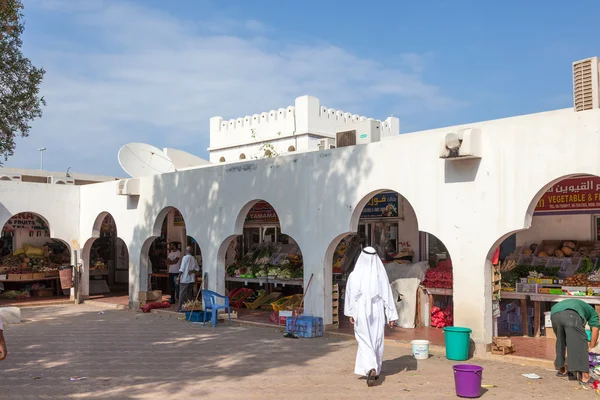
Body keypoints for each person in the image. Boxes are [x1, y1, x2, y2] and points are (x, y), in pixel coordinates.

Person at [344, 246, 398, 387]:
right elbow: (388, 295)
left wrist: (351, 313)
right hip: (378, 311)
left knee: (364, 339)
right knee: (377, 339)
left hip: (360, 311)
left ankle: (370, 367)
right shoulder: (380, 276)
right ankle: (375, 368)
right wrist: (391, 315)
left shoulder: (354, 275)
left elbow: (350, 296)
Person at [551, 298, 600, 387]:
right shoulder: (593, 313)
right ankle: (585, 377)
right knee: (581, 343)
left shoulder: (583, 306)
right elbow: (595, 329)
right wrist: (591, 346)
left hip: (554, 313)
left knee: (561, 341)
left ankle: (562, 370)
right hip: (571, 314)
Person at [176, 246, 200, 312]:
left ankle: (180, 308)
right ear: (191, 251)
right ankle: (188, 307)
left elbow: (182, 268)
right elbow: (197, 269)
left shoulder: (185, 258)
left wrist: (178, 276)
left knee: (182, 294)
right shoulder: (193, 259)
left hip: (184, 279)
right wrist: (192, 271)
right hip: (191, 279)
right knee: (189, 294)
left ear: (186, 251)